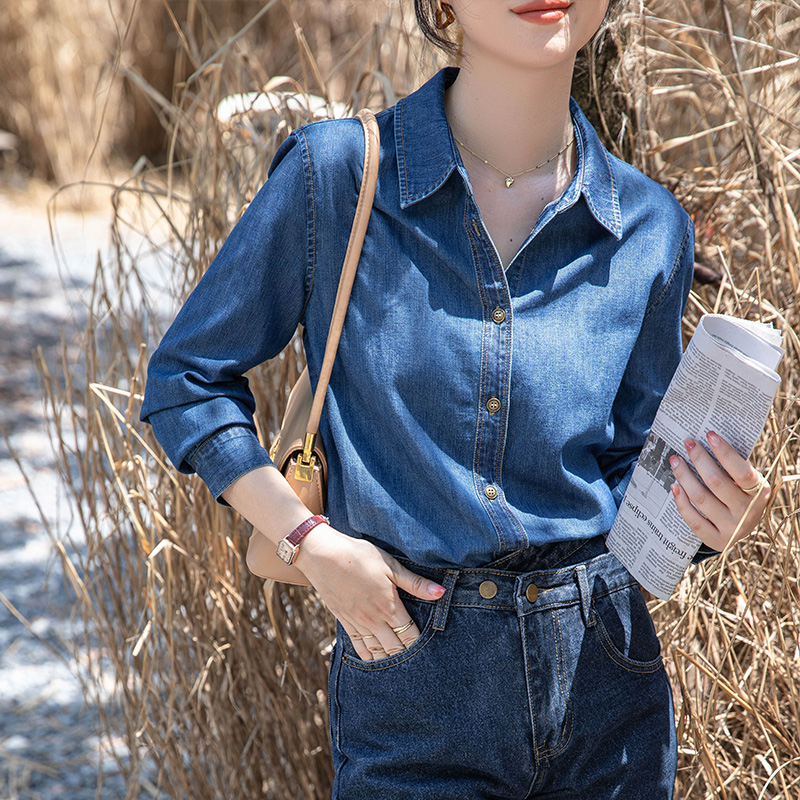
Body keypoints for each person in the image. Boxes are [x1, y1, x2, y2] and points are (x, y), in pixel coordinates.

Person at [140, 1, 772, 797]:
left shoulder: (648, 226)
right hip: (412, 677)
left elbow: (628, 477)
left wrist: (715, 517)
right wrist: (308, 539)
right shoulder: (338, 175)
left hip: (608, 684)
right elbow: (186, 379)